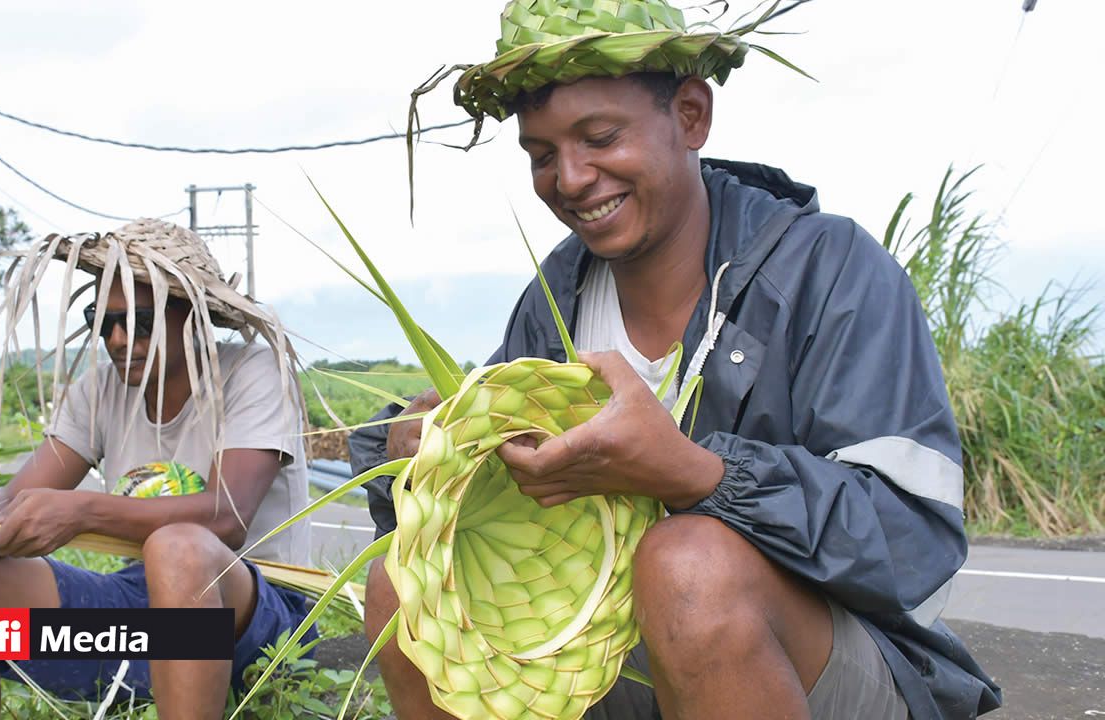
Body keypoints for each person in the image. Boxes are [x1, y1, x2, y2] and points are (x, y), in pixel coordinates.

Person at [350, 2, 1002, 718]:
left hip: (834, 667)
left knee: (687, 566)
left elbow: (915, 543)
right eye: (541, 156)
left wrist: (695, 474)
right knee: (398, 590)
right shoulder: (553, 302)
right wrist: (431, 459)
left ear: (691, 115)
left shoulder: (832, 272)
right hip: (629, 658)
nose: (569, 178)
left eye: (599, 137)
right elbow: (485, 512)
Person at [0, 219, 313, 719]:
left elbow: (227, 517)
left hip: (261, 622)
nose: (118, 339)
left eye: (140, 322)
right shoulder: (99, 390)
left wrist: (84, 510)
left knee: (178, 547)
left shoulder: (254, 372)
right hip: (144, 618)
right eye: (103, 320)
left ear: (196, 319)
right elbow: (13, 500)